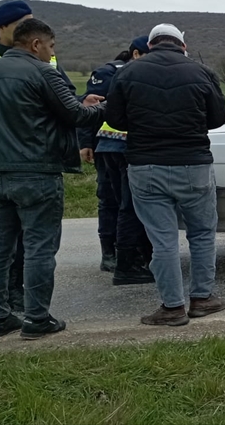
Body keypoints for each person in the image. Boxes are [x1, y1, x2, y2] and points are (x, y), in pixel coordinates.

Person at [0, 18, 105, 340]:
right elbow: (76, 115)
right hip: (36, 173)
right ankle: (37, 318)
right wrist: (108, 106)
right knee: (39, 248)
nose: (51, 53)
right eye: (51, 47)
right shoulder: (44, 73)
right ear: (35, 44)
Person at [106, 24, 225, 326]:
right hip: (193, 164)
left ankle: (172, 307)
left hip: (146, 166)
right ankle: (203, 298)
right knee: (201, 234)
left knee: (162, 240)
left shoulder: (129, 72)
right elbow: (218, 117)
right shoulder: (201, 72)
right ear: (182, 46)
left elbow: (114, 118)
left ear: (150, 45)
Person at [79, 36, 155, 285]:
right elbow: (89, 109)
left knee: (118, 202)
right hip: (112, 145)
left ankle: (121, 254)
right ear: (135, 54)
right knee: (114, 201)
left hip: (117, 145)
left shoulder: (138, 71)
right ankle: (111, 254)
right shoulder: (108, 73)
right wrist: (86, 142)